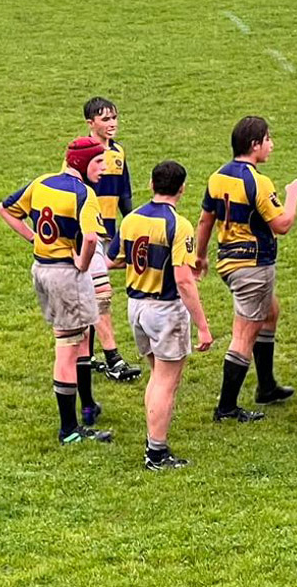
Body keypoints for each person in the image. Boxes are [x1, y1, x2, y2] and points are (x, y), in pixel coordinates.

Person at [0, 137, 114, 444]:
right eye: (99, 161)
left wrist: (34, 239)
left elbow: (5, 209)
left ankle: (86, 407)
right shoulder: (83, 195)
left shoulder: (42, 183)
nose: (104, 167)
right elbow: (90, 240)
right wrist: (82, 262)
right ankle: (69, 430)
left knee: (81, 336)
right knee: (67, 348)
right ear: (82, 163)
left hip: (42, 270)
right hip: (66, 276)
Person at [196, 116, 297, 422]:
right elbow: (281, 225)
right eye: (268, 140)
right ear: (255, 145)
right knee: (243, 334)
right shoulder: (258, 181)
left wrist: (201, 256)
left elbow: (206, 220)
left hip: (229, 261)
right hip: (252, 265)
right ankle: (227, 408)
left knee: (270, 312)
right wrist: (293, 196)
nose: (272, 145)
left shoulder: (217, 176)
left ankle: (266, 386)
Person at [107, 160, 214, 469]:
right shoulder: (179, 225)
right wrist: (203, 326)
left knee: (157, 377)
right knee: (166, 382)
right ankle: (156, 452)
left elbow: (116, 258)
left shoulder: (132, 219)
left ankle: (153, 441)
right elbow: (183, 279)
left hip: (136, 306)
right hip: (165, 310)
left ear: (152, 184)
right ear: (182, 189)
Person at [80, 97, 142, 383]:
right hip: (87, 233)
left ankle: (87, 354)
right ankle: (113, 359)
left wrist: (130, 231)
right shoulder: (81, 153)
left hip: (108, 231)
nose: (112, 123)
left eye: (114, 117)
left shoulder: (118, 153)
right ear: (90, 123)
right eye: (105, 119)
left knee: (92, 291)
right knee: (100, 294)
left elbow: (124, 196)